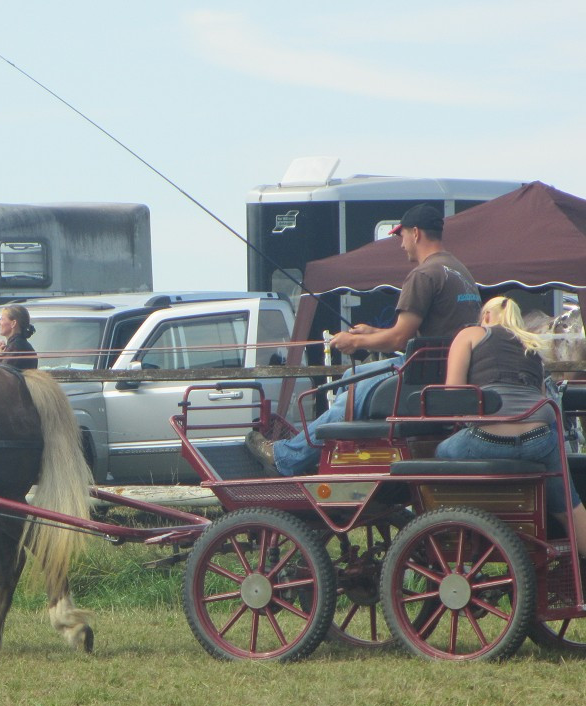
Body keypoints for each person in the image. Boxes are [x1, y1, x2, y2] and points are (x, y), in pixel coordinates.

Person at [246, 203, 482, 476]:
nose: (401, 243)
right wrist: (371, 332)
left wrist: (355, 342)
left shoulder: (424, 275)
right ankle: (321, 452)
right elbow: (424, 330)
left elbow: (398, 338)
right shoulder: (459, 271)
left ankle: (288, 456)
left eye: (401, 235)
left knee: (349, 396)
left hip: (419, 373)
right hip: (443, 369)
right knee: (351, 375)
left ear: (415, 233)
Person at [435, 296, 586, 557]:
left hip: (489, 440)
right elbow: (540, 395)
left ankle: (461, 532)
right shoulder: (533, 346)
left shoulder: (471, 334)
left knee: (440, 453)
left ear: (487, 316)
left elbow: (453, 394)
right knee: (570, 508)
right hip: (539, 439)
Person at [0, 304, 38, 370]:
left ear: (13, 323)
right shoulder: (18, 345)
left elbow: (0, 373)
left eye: (2, 319)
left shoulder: (17, 347)